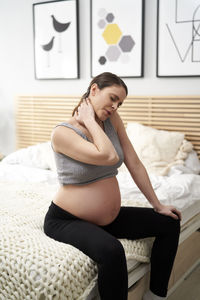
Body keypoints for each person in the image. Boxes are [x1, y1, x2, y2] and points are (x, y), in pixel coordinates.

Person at [44, 72, 181, 300]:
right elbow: (107, 155)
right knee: (112, 251)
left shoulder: (112, 121)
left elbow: (135, 163)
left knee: (169, 222)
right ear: (94, 90)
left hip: (108, 219)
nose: (116, 106)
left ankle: (156, 296)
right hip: (67, 220)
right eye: (113, 98)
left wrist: (158, 205)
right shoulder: (63, 133)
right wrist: (88, 120)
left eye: (120, 103)